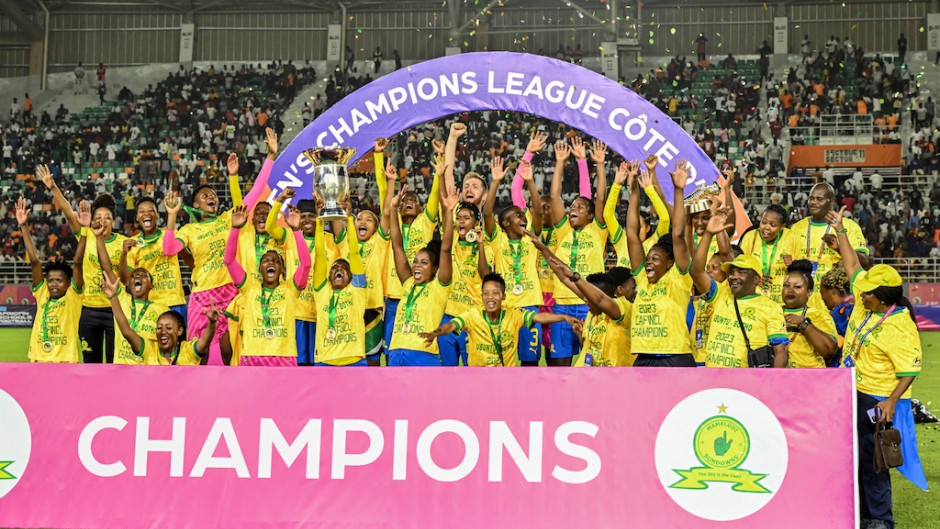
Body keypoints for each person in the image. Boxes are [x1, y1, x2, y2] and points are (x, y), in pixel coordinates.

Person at [828, 205, 927, 526]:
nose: (860, 296)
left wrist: (891, 401)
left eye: (867, 294)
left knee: (874, 463)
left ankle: (880, 520)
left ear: (883, 298)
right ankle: (856, 514)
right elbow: (853, 263)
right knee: (851, 459)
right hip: (848, 391)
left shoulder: (900, 325)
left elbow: (909, 371)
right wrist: (841, 230)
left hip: (875, 400)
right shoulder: (865, 295)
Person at [164, 128, 279, 364]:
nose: (211, 198)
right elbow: (168, 250)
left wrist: (270, 157)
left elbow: (256, 192)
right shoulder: (190, 230)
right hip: (202, 294)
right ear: (195, 204)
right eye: (205, 196)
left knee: (229, 351)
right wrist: (172, 215)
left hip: (229, 290)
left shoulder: (229, 218)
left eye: (213, 195)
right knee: (199, 352)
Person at [39, 163, 128, 364]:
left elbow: (127, 277)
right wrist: (53, 187)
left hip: (116, 308)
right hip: (88, 309)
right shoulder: (85, 234)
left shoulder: (123, 243)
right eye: (98, 217)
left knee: (116, 362)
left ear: (113, 221)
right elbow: (69, 212)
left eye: (107, 218)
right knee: (91, 361)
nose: (102, 221)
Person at [689, 207, 790, 368]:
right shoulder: (721, 293)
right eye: (732, 272)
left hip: (745, 386)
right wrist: (708, 234)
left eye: (741, 272)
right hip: (712, 382)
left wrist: (771, 387)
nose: (734, 276)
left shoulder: (770, 307)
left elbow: (781, 353)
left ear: (756, 279)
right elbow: (695, 271)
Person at [419, 273, 579, 367]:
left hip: (506, 380)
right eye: (486, 293)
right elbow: (451, 325)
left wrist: (564, 317)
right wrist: (436, 333)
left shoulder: (514, 314)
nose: (490, 297)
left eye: (495, 293)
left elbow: (540, 317)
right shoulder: (472, 315)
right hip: (478, 379)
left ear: (503, 296)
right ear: (481, 296)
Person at [626, 160, 695, 366]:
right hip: (643, 358)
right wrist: (634, 191)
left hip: (674, 357)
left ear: (669, 263)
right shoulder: (641, 279)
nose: (648, 263)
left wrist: (678, 190)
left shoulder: (679, 279)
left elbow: (678, 235)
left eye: (655, 259)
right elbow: (631, 234)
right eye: (648, 259)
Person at [546, 137, 607, 366]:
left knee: (590, 362)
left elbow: (600, 197)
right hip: (561, 303)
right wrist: (560, 162)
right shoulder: (562, 229)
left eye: (580, 207)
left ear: (590, 216)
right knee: (561, 364)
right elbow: (554, 197)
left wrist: (599, 165)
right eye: (572, 206)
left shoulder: (598, 230)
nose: (573, 208)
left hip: (588, 303)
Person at [224, 203, 310, 366]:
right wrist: (235, 229)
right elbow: (229, 260)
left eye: (276, 261)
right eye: (266, 260)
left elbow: (305, 265)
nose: (271, 262)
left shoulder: (291, 289)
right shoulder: (249, 287)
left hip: (284, 357)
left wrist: (297, 231)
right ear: (259, 269)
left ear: (282, 270)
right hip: (253, 355)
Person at [481, 156, 544, 366]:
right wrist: (496, 181)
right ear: (506, 223)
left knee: (530, 363)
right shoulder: (497, 241)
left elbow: (538, 212)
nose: (523, 216)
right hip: (505, 308)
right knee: (501, 361)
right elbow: (487, 212)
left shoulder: (531, 239)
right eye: (518, 215)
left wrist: (531, 182)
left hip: (529, 307)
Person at [386, 183, 456, 366]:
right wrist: (393, 209)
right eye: (416, 261)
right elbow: (397, 245)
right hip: (396, 351)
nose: (416, 265)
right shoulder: (408, 283)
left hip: (423, 354)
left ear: (435, 268)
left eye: (424, 263)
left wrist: (448, 212)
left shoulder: (439, 287)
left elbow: (446, 250)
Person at [382, 145, 440, 351]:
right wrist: (390, 181)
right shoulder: (393, 222)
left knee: (416, 342)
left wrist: (439, 171)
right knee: (391, 347)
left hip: (419, 294)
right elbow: (386, 201)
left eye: (413, 200)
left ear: (421, 209)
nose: (408, 202)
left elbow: (434, 199)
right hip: (392, 297)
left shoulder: (425, 223)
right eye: (405, 200)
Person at [93, 219, 170, 365]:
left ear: (151, 286)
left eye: (143, 275)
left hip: (148, 369)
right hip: (121, 368)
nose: (137, 276)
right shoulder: (122, 298)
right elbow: (107, 268)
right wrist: (99, 238)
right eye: (134, 275)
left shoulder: (162, 310)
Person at [18, 197, 85, 363]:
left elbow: (77, 263)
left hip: (65, 361)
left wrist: (84, 231)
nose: (54, 283)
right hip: (38, 360)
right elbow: (34, 261)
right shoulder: (42, 294)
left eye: (59, 280)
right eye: (51, 280)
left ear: (69, 283)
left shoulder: (73, 298)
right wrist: (24, 226)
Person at [103, 275, 215, 366]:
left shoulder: (187, 351)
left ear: (180, 330)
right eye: (159, 327)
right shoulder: (150, 349)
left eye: (169, 328)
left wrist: (212, 322)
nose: (163, 331)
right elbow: (126, 331)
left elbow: (204, 342)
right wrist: (113, 298)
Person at [791, 183, 868, 311]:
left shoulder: (848, 226)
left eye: (819, 199)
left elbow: (864, 261)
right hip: (804, 305)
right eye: (811, 198)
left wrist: (839, 248)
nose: (813, 202)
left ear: (831, 201)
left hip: (836, 305)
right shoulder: (796, 228)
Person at [311, 208, 368, 366]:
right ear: (328, 276)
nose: (338, 269)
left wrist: (349, 221)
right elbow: (320, 255)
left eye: (344, 268)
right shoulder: (322, 291)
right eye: (334, 268)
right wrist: (319, 222)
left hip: (354, 360)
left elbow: (355, 254)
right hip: (325, 360)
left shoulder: (357, 290)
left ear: (351, 276)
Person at [121, 197, 187, 318]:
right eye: (141, 211)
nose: (146, 213)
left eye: (151, 210)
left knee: (179, 337)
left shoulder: (171, 234)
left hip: (174, 301)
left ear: (157, 215)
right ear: (137, 217)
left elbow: (186, 257)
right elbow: (126, 280)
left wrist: (172, 214)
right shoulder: (133, 244)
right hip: (148, 304)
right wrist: (124, 255)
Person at [606, 157, 671, 269]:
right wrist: (617, 184)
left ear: (647, 228)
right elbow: (607, 215)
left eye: (639, 227)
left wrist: (649, 189)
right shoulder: (622, 240)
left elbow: (665, 218)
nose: (634, 230)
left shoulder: (655, 242)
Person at [781, 260, 839, 368]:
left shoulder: (819, 316)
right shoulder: (773, 312)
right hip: (778, 378)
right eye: (786, 285)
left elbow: (829, 351)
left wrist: (804, 324)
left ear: (809, 292)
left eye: (797, 287)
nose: (790, 290)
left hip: (811, 379)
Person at [738, 204, 797, 304]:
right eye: (763, 222)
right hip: (754, 299)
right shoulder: (750, 237)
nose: (766, 227)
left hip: (781, 301)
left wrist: (794, 264)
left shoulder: (792, 237)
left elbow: (804, 270)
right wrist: (752, 278)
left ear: (782, 227)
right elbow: (739, 267)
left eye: (773, 225)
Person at [819, 262, 854, 367]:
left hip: (839, 367)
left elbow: (835, 344)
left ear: (833, 292)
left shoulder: (840, 312)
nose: (823, 300)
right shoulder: (858, 305)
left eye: (823, 295)